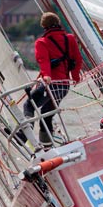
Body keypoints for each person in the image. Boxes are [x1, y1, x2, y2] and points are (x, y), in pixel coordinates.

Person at [23, 12, 82, 148]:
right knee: (46, 114)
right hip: (64, 86)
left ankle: (23, 134)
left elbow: (43, 61)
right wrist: (75, 77)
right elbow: (77, 59)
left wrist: (47, 75)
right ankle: (47, 146)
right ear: (58, 23)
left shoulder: (41, 42)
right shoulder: (70, 39)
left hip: (50, 84)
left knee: (29, 105)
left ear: (43, 26)